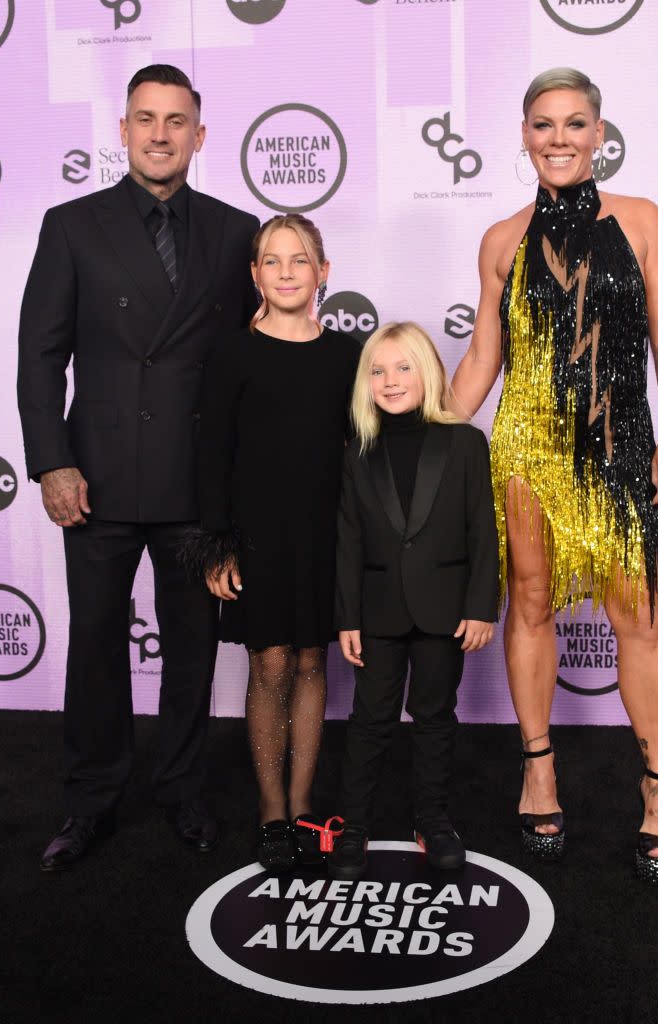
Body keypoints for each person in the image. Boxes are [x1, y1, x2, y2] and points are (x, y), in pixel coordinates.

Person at [450, 68, 658, 882]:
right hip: (527, 451)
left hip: (623, 447)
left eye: (574, 124)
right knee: (526, 604)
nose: (558, 138)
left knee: (641, 618)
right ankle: (538, 766)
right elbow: (485, 356)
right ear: (522, 136)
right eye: (543, 124)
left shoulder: (643, 220)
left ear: (598, 134)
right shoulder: (498, 239)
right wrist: (431, 437)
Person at [17, 65, 259, 871]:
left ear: (199, 133)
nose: (160, 133)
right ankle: (89, 802)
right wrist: (52, 462)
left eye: (176, 120)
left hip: (196, 482)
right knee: (94, 645)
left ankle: (182, 790)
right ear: (122, 131)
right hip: (98, 479)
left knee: (192, 645)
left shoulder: (235, 232)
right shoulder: (71, 224)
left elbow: (246, 365)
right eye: (145, 119)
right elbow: (39, 355)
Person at [187, 214, 361, 873]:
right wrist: (218, 546)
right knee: (270, 664)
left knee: (313, 662)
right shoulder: (230, 352)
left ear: (323, 272)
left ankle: (301, 801)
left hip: (323, 532)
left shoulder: (348, 355)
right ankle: (270, 814)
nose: (285, 271)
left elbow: (360, 453)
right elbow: (212, 455)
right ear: (254, 273)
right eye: (271, 260)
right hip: (255, 534)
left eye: (299, 259)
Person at [329, 322, 498, 881]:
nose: (390, 380)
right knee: (370, 718)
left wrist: (480, 606)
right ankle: (355, 824)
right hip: (376, 612)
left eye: (403, 367)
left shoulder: (466, 442)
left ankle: (433, 818)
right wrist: (347, 616)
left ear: (427, 370)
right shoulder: (358, 450)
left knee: (434, 716)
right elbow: (348, 539)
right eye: (377, 371)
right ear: (365, 383)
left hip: (444, 610)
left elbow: (483, 532)